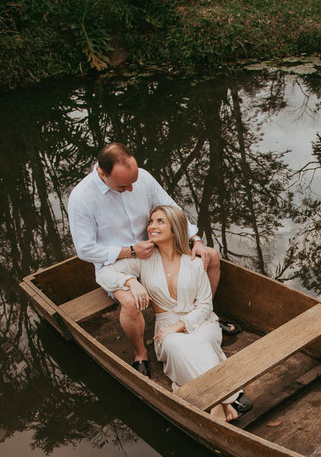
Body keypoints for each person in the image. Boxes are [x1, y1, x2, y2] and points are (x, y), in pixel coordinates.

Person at [66, 142, 228, 376]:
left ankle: (204, 318)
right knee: (130, 302)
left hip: (155, 252)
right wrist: (131, 252)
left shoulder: (142, 178)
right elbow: (86, 250)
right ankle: (140, 353)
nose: (131, 189)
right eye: (123, 186)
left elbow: (172, 208)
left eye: (133, 182)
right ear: (102, 173)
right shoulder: (81, 198)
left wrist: (196, 240)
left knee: (210, 257)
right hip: (118, 262)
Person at [141, 204, 251, 422]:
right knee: (174, 344)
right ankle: (226, 399)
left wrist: (179, 326)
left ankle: (215, 402)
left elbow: (205, 307)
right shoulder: (142, 260)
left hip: (202, 321)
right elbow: (106, 274)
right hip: (166, 327)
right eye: (151, 221)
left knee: (200, 341)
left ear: (175, 229)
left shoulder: (193, 263)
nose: (152, 226)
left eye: (160, 221)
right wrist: (128, 282)